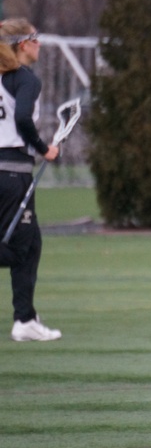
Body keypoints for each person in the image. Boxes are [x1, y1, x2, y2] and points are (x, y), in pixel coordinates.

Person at [0, 18, 62, 342]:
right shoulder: (25, 79)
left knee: (32, 241)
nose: (40, 45)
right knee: (18, 248)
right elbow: (23, 118)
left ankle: (25, 316)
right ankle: (23, 320)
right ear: (23, 44)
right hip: (12, 174)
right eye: (36, 39)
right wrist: (43, 149)